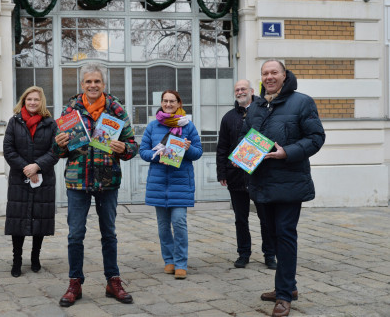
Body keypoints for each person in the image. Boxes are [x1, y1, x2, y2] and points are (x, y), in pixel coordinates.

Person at [242, 60, 325, 317]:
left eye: (274, 72)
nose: (269, 77)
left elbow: (316, 138)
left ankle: (284, 295)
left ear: (284, 75)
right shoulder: (256, 105)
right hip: (262, 182)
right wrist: (242, 156)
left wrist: (287, 152)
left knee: (285, 235)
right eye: (265, 73)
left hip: (290, 182)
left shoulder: (302, 102)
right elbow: (248, 137)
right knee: (272, 236)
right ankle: (288, 286)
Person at [53, 63, 138, 307]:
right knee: (75, 234)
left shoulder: (116, 109)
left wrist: (125, 149)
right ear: (82, 85)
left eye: (97, 82)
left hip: (107, 179)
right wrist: (58, 144)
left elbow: (133, 144)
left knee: (109, 233)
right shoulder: (70, 110)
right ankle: (74, 283)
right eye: (88, 82)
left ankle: (113, 281)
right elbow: (57, 150)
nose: (92, 86)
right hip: (78, 181)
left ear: (103, 84)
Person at [139, 90, 203, 280]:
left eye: (172, 101)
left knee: (179, 222)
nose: (168, 104)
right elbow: (142, 151)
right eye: (165, 101)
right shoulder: (152, 126)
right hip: (158, 183)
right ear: (161, 103)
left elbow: (198, 152)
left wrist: (187, 148)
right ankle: (169, 260)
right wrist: (155, 155)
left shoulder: (188, 126)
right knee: (163, 226)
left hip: (180, 182)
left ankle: (181, 262)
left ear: (178, 103)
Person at [216, 80, 276, 270]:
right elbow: (222, 147)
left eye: (243, 89)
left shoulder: (265, 112)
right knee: (240, 218)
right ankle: (243, 254)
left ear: (251, 91)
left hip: (260, 175)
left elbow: (271, 140)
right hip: (235, 175)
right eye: (237, 90)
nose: (240, 92)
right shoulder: (228, 117)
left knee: (265, 217)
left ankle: (270, 255)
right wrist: (221, 172)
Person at [3, 86, 59, 278]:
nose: (33, 103)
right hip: (20, 178)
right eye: (29, 99)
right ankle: (16, 260)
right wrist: (27, 169)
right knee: (17, 220)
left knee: (39, 219)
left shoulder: (50, 123)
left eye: (36, 99)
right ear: (23, 101)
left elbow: (55, 151)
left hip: (43, 179)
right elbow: (8, 150)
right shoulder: (14, 122)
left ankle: (35, 257)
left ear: (41, 102)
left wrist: (37, 166)